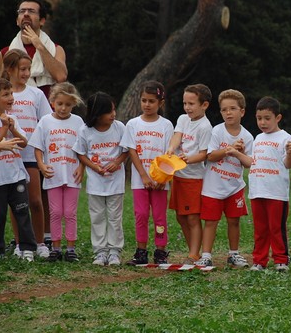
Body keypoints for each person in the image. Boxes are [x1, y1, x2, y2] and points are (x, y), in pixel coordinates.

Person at [0, 49, 53, 259]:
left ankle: (40, 243)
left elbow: (47, 123)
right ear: (10, 69)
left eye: (28, 69)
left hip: (31, 154)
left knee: (35, 201)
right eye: (22, 69)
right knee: (16, 203)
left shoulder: (36, 94)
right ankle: (20, 244)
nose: (26, 73)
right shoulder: (2, 93)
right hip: (10, 156)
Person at [195, 89, 254, 268]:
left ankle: (233, 254)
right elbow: (211, 156)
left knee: (234, 221)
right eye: (224, 109)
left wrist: (239, 153)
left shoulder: (248, 136)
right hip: (213, 187)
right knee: (211, 221)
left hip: (234, 187)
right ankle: (206, 255)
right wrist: (229, 148)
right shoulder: (217, 131)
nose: (228, 113)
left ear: (242, 111)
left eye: (233, 109)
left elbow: (249, 163)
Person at [0, 77, 36, 260]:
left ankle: (27, 248)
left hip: (16, 175)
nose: (11, 97)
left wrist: (13, 128)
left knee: (22, 211)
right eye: (6, 94)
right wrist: (4, 129)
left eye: (11, 93)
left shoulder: (13, 118)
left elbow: (24, 143)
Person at [29, 82, 85, 262]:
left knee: (70, 212)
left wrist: (81, 167)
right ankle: (55, 248)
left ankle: (70, 249)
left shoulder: (78, 122)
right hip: (53, 175)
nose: (63, 108)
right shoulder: (45, 121)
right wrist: (41, 165)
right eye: (60, 103)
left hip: (72, 175)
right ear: (52, 101)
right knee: (55, 212)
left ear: (73, 104)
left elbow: (84, 149)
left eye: (68, 105)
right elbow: (37, 147)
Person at [122, 81, 174, 266]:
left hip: (160, 181)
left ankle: (160, 251)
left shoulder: (166, 125)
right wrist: (143, 175)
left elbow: (169, 154)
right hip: (139, 181)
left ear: (160, 102)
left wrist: (164, 178)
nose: (147, 104)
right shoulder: (133, 124)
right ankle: (141, 251)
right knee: (141, 214)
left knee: (160, 216)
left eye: (151, 101)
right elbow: (132, 151)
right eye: (144, 100)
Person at [73, 92, 128, 266]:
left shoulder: (119, 127)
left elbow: (126, 150)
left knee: (114, 217)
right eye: (109, 111)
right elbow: (80, 153)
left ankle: (114, 252)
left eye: (114, 110)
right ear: (97, 113)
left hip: (115, 183)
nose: (114, 114)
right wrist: (93, 166)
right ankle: (100, 252)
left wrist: (117, 162)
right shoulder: (85, 130)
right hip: (95, 184)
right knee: (97, 217)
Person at [248, 96, 291, 272]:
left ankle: (281, 260)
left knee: (276, 228)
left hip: (276, 193)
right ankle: (259, 261)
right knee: (260, 229)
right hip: (257, 191)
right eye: (259, 118)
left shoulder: (285, 137)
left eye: (267, 118)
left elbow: (289, 164)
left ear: (278, 118)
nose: (263, 122)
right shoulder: (257, 138)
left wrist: (290, 153)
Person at [166, 84, 212, 265]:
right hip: (179, 176)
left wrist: (188, 159)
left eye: (192, 104)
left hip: (194, 178)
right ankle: (193, 250)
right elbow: (177, 136)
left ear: (204, 105)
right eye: (185, 103)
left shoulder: (206, 127)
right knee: (180, 216)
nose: (187, 108)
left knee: (193, 217)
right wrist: (171, 148)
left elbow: (203, 154)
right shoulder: (183, 119)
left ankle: (194, 254)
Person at [0, 0, 67, 99]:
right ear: (17, 21)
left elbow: (61, 77)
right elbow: (0, 88)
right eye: (22, 11)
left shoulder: (56, 49)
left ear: (42, 21)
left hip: (48, 110)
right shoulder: (6, 53)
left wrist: (39, 46)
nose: (26, 14)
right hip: (18, 109)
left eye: (31, 11)